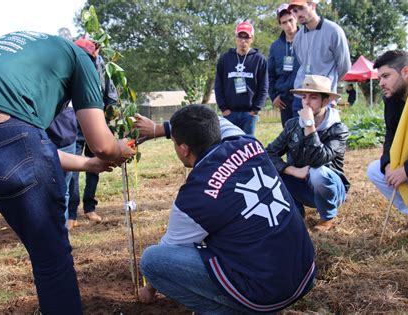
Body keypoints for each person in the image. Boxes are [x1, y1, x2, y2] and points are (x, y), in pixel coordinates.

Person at [0, 31, 135, 314]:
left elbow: (5, 137)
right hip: (8, 135)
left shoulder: (0, 53)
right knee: (51, 258)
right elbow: (101, 145)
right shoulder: (81, 59)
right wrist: (119, 149)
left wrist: (88, 165)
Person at [134, 105, 315, 314]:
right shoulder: (247, 142)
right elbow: (214, 119)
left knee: (151, 260)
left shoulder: (193, 199)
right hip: (304, 270)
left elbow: (168, 251)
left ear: (183, 149)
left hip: (266, 294)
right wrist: (162, 129)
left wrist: (149, 289)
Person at [266, 75, 350, 232]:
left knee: (318, 172)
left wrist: (309, 125)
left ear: (325, 101)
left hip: (330, 187)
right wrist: (293, 170)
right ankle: (296, 214)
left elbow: (319, 159)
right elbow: (269, 153)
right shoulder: (292, 125)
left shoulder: (338, 129)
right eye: (304, 97)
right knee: (273, 171)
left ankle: (328, 216)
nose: (307, 102)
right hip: (302, 184)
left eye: (313, 97)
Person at [367, 50, 408, 224]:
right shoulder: (392, 99)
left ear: (406, 72)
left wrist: (407, 170)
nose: (381, 83)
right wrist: (389, 162)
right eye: (379, 78)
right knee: (376, 171)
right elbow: (392, 134)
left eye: (386, 76)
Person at [67, 38, 119, 229]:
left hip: (95, 120)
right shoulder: (70, 61)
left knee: (95, 166)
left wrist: (108, 118)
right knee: (73, 167)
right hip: (73, 122)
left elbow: (109, 91)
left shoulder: (100, 64)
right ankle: (71, 213)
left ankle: (89, 207)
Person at [289, 0, 351, 117]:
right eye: (295, 11)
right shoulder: (298, 37)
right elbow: (302, 62)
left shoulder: (334, 31)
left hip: (323, 97)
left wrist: (327, 85)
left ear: (313, 5)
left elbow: (344, 66)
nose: (298, 14)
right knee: (298, 134)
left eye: (301, 8)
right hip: (301, 96)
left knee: (322, 134)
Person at [214, 21, 268, 135]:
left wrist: (255, 110)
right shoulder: (225, 59)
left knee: (248, 145)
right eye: (240, 37)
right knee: (229, 144)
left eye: (246, 37)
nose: (243, 41)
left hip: (249, 114)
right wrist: (224, 109)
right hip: (229, 113)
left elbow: (264, 87)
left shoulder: (259, 59)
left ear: (252, 38)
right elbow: (218, 85)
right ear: (236, 38)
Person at [268, 3, 300, 127]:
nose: (288, 25)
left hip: (304, 96)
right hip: (284, 99)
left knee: (304, 135)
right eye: (284, 22)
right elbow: (270, 74)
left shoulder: (307, 39)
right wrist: (273, 96)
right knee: (288, 137)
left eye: (290, 20)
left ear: (296, 18)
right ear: (280, 24)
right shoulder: (275, 46)